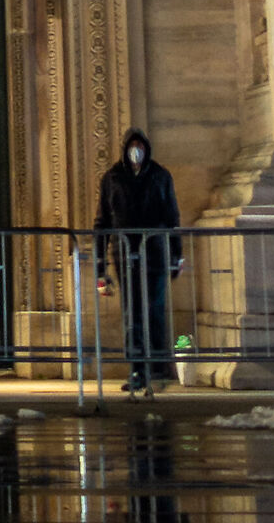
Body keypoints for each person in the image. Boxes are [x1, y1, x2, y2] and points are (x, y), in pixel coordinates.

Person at [95, 129, 183, 391]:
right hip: (125, 255)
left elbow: (172, 218)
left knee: (153, 310)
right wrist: (100, 265)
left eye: (140, 146)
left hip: (154, 253)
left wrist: (176, 255)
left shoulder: (160, 176)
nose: (136, 151)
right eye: (132, 146)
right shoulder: (112, 178)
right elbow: (103, 222)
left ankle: (156, 367)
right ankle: (137, 369)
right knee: (132, 312)